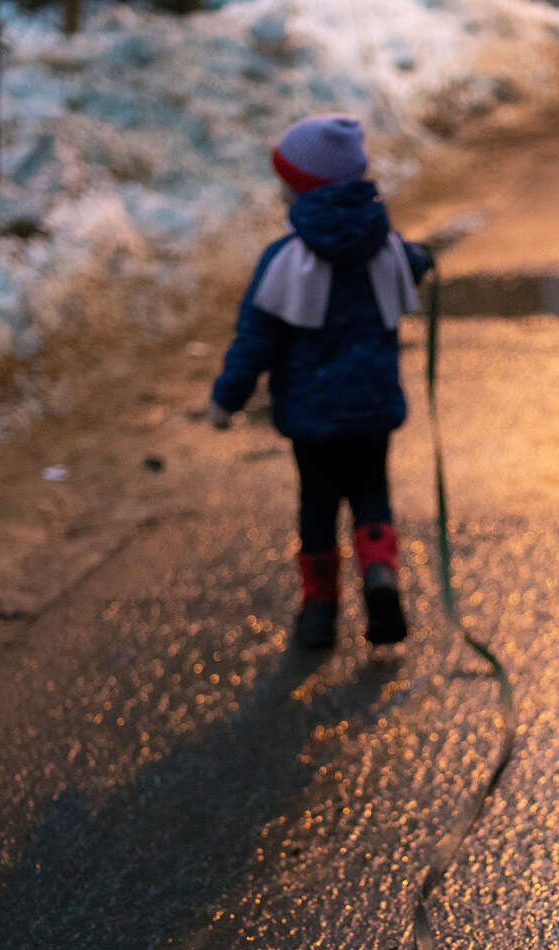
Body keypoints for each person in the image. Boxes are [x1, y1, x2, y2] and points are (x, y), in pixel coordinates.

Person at [206, 114, 433, 649]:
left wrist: (226, 398)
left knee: (318, 508)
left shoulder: (285, 260)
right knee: (372, 496)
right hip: (372, 409)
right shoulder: (386, 248)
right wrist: (423, 258)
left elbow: (254, 340)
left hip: (312, 418)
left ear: (300, 187)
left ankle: (318, 611)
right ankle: (380, 578)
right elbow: (416, 262)